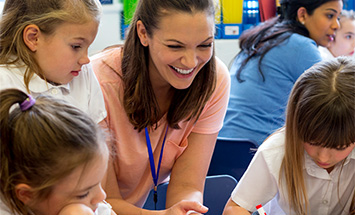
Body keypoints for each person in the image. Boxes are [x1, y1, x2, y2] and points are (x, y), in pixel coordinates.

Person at [90, 0, 230, 214]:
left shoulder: (214, 80)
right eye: (175, 46)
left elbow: (188, 186)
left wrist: (188, 210)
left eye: (205, 45)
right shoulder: (97, 82)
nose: (191, 62)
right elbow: (102, 203)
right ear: (143, 33)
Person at [223, 57, 355, 215]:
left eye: (340, 147)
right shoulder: (276, 152)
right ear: (296, 125)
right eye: (312, 142)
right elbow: (236, 208)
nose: (324, 157)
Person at [218, 0, 342, 145]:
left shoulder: (263, 37)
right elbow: (336, 106)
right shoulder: (301, 46)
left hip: (222, 147)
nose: (336, 25)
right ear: (302, 14)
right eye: (329, 16)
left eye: (338, 18)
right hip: (259, 151)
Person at [0, 89, 116, 215]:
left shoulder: (92, 204)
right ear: (27, 195)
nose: (101, 196)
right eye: (83, 194)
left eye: (98, 183)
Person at [0, 0, 106, 124]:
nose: (85, 60)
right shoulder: (4, 82)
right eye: (76, 46)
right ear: (33, 38)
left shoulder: (82, 73)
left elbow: (101, 136)